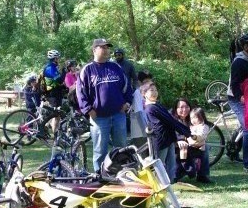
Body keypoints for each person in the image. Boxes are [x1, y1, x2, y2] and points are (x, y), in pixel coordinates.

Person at [76, 38, 132, 171]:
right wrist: (88, 109)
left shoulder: (115, 67)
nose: (107, 50)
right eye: (103, 47)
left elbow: (127, 86)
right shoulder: (87, 70)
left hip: (118, 115)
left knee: (121, 149)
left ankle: (121, 174)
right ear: (95, 50)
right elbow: (81, 92)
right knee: (100, 151)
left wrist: (127, 102)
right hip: (99, 118)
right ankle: (99, 177)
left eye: (108, 47)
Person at [141, 83, 190, 180]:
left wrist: (185, 132)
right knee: (160, 165)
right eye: (151, 90)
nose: (155, 93)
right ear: (144, 94)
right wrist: (187, 133)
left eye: (155, 90)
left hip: (168, 138)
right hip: (160, 140)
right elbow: (169, 121)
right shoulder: (150, 108)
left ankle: (171, 183)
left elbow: (170, 119)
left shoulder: (157, 105)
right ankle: (159, 185)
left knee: (171, 164)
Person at [227, 32, 248, 169]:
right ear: (245, 47)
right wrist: (241, 97)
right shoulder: (239, 62)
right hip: (236, 99)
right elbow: (234, 84)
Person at [173, 98, 212, 183]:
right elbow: (170, 134)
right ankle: (177, 174)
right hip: (175, 147)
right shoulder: (172, 119)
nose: (184, 109)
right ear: (176, 109)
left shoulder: (190, 120)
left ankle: (202, 175)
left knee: (205, 148)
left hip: (190, 146)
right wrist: (178, 140)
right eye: (181, 107)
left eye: (187, 107)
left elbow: (200, 133)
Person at [179, 108, 211, 179]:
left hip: (198, 148)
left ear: (201, 117)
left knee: (205, 149)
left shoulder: (204, 127)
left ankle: (202, 174)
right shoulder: (191, 126)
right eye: (191, 118)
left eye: (195, 117)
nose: (193, 120)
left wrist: (194, 137)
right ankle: (185, 172)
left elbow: (202, 136)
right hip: (189, 147)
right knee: (183, 157)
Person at [41, 49, 66, 131]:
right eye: (58, 58)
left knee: (56, 115)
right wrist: (64, 72)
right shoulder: (50, 68)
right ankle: (55, 135)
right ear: (55, 58)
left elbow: (57, 82)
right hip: (52, 94)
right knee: (56, 115)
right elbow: (59, 80)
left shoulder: (53, 67)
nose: (59, 59)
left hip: (56, 93)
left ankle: (46, 127)